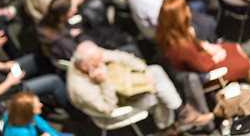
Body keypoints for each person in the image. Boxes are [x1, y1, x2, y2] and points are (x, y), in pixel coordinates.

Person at [67, 40, 214, 135]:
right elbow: (108, 108)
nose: (102, 61)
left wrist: (144, 69)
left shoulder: (88, 57)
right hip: (112, 108)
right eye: (98, 61)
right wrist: (104, 82)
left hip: (120, 88)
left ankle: (181, 113)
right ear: (85, 66)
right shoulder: (79, 88)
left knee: (154, 71)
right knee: (157, 94)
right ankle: (167, 128)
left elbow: (119, 56)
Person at [154, 0, 250, 84]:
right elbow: (203, 67)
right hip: (207, 73)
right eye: (185, 7)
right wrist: (217, 56)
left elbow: (196, 48)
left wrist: (209, 46)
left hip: (202, 56)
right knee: (248, 64)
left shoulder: (169, 34)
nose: (188, 8)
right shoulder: (183, 47)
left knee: (236, 47)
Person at [37, 0, 142, 61]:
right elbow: (83, 56)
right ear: (62, 16)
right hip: (92, 55)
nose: (75, 10)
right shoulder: (62, 42)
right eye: (71, 9)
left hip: (85, 40)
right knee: (131, 49)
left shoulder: (51, 23)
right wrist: (79, 36)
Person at [2, 92, 74, 136]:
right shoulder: (21, 133)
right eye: (37, 105)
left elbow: (46, 128)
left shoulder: (14, 113)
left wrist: (50, 133)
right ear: (28, 112)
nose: (41, 104)